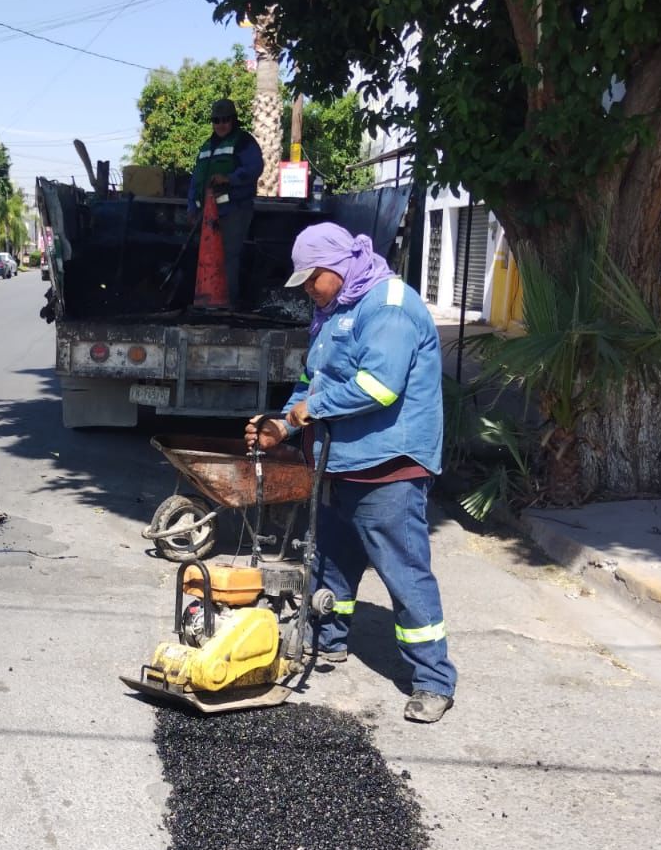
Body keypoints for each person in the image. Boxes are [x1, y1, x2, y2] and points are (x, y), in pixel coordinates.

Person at [245, 223, 458, 723]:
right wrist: (282, 424)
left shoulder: (388, 306)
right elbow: (310, 380)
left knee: (403, 572)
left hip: (388, 466)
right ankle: (329, 639)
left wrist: (308, 412)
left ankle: (432, 680)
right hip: (339, 463)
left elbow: (378, 387)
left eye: (312, 279)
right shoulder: (334, 309)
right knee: (331, 560)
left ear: (336, 267)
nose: (308, 291)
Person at [187, 97, 264, 307]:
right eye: (216, 120)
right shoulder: (205, 147)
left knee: (228, 257)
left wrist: (229, 179)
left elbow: (255, 168)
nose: (220, 124)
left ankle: (227, 303)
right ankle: (206, 299)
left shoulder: (243, 142)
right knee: (207, 257)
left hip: (235, 209)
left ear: (233, 120)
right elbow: (196, 180)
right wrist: (192, 207)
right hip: (208, 213)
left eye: (225, 119)